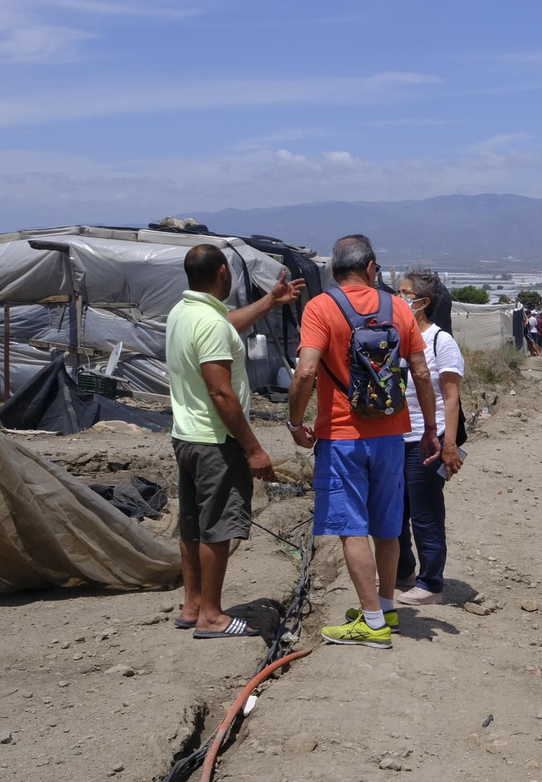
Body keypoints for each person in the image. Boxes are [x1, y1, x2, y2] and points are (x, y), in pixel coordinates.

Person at [288, 234, 438, 649]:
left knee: (351, 529)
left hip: (341, 437)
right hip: (393, 435)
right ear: (372, 268)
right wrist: (429, 430)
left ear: (334, 271)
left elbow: (304, 372)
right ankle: (386, 607)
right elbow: (422, 373)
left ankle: (371, 624)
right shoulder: (399, 309)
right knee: (387, 529)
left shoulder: (321, 307)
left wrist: (295, 421)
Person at [166, 244, 304, 638]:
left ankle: (192, 606)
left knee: (192, 526)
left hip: (187, 436)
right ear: (224, 272)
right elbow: (221, 393)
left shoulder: (185, 312)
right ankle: (212, 616)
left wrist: (270, 301)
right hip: (215, 442)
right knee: (218, 528)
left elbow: (228, 323)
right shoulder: (210, 323)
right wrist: (253, 448)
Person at [394, 268, 465, 606]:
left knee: (425, 515)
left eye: (405, 293)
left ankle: (431, 584)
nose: (398, 298)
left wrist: (449, 444)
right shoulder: (395, 337)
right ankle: (403, 570)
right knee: (394, 512)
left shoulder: (441, 341)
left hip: (427, 439)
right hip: (395, 438)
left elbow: (451, 397)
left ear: (422, 302)